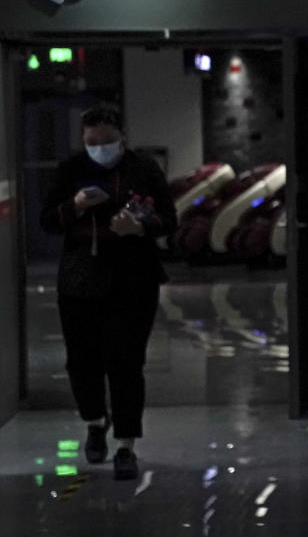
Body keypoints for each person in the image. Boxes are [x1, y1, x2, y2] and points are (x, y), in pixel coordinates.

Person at [40, 105, 176, 480]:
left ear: (122, 136)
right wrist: (77, 205)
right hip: (80, 277)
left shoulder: (143, 169)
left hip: (133, 277)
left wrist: (139, 228)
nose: (100, 148)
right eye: (91, 142)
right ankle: (95, 422)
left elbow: (169, 218)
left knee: (126, 362)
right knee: (82, 361)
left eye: (107, 141)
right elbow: (48, 221)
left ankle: (126, 445)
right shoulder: (71, 170)